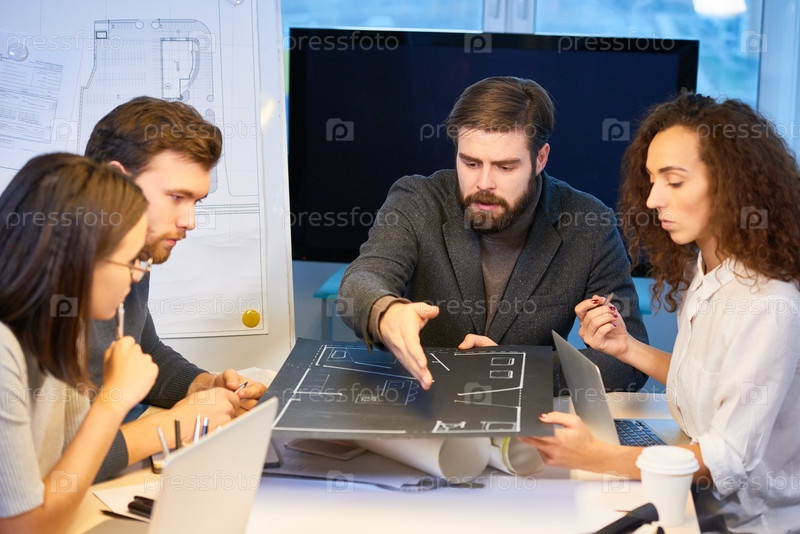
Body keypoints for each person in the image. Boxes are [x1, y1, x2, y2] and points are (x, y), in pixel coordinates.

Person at [524, 93, 800, 532]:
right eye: (652, 180)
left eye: (674, 181)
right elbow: (708, 383)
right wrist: (625, 347)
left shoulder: (770, 303)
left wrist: (600, 457)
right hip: (699, 500)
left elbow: (726, 459)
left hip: (747, 523)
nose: (653, 198)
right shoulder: (708, 267)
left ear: (734, 184)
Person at [339, 76, 648, 392]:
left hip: (526, 412)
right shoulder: (417, 199)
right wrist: (385, 311)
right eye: (471, 163)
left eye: (504, 167)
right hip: (421, 402)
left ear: (540, 158)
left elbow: (629, 362)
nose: (484, 183)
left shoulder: (589, 224)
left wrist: (517, 368)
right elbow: (362, 279)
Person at [83, 96, 267, 480]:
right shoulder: (37, 278)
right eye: (177, 197)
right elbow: (50, 456)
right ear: (117, 183)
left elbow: (144, 351)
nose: (189, 221)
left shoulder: (135, 252)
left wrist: (203, 387)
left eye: (196, 201)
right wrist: (173, 426)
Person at [0, 153, 158, 531]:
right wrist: (113, 400)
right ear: (81, 258)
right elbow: (25, 528)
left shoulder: (60, 331)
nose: (137, 276)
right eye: (131, 260)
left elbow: (67, 473)